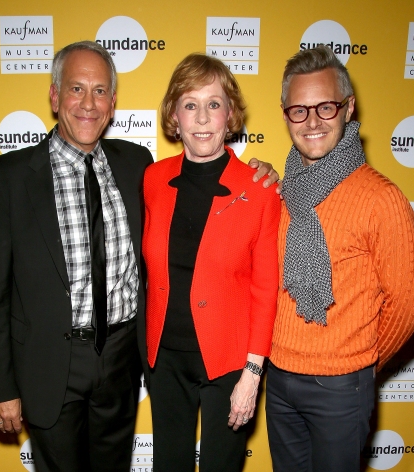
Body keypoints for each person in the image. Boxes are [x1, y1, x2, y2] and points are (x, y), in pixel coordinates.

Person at [0, 41, 277, 472]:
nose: (88, 104)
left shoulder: (136, 164)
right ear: (55, 96)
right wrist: (1, 387)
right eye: (77, 89)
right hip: (50, 364)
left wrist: (261, 173)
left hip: (122, 360)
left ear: (113, 103)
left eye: (100, 92)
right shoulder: (5, 179)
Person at [265, 45, 414, 472]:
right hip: (278, 378)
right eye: (299, 110)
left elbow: (407, 307)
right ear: (285, 115)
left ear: (348, 108)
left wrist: (360, 362)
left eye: (326, 107)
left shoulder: (382, 198)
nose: (312, 121)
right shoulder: (281, 192)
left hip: (340, 386)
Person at [143, 53, 281, 472]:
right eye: (190, 104)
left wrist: (253, 374)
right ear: (174, 116)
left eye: (214, 103)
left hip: (230, 364)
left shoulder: (259, 189)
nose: (202, 116)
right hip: (164, 359)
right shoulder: (153, 179)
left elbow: (265, 288)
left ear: (230, 114)